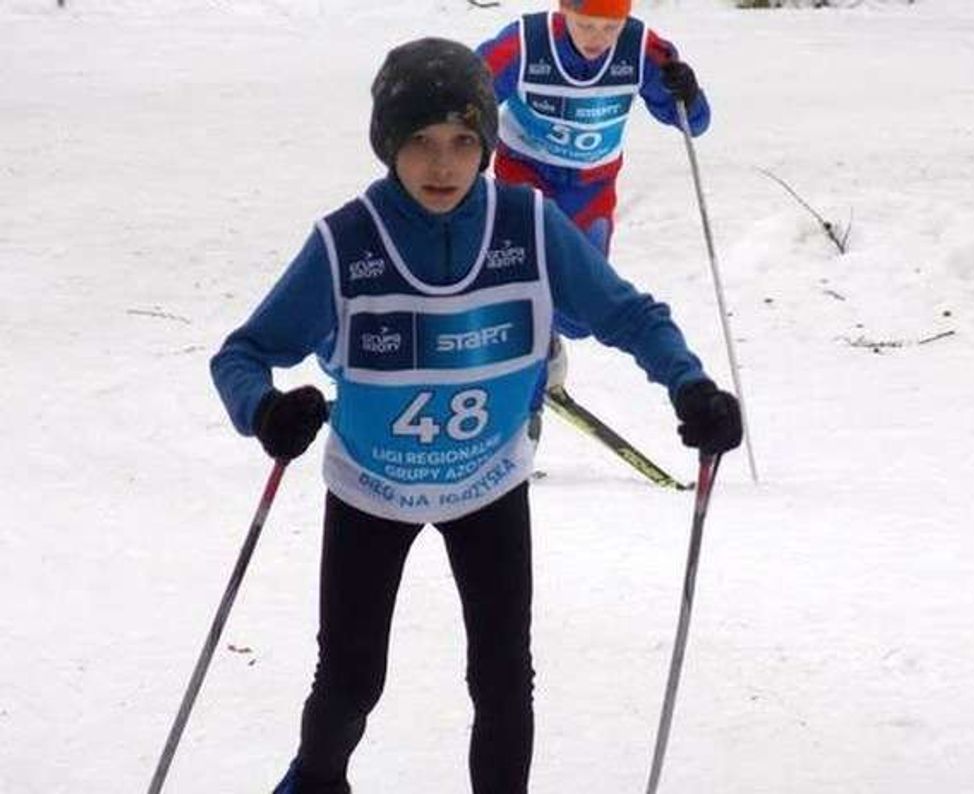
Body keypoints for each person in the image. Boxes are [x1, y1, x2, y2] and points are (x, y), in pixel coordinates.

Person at [210, 37, 741, 794]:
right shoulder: (346, 241)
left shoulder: (529, 225)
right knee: (352, 678)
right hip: (372, 488)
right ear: (388, 144)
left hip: (488, 484)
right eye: (420, 142)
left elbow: (629, 314)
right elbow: (242, 353)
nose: (443, 164)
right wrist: (263, 410)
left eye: (463, 142)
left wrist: (691, 386)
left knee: (503, 678)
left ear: (488, 145)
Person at [477, 0, 710, 384]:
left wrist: (689, 94)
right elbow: (467, 93)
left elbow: (694, 123)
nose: (597, 39)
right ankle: (525, 351)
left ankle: (547, 331)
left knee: (583, 311)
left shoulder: (640, 48)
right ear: (564, 10)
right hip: (525, 174)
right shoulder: (527, 42)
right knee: (524, 266)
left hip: (591, 187)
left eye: (610, 27)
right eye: (586, 25)